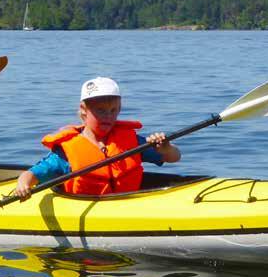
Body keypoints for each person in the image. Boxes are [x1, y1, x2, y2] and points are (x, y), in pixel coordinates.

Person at [15, 77, 181, 198]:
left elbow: (174, 158)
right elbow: (32, 174)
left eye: (113, 110)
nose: (108, 116)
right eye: (101, 111)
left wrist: (166, 149)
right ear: (83, 110)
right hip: (87, 208)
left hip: (127, 205)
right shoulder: (66, 151)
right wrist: (23, 185)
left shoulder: (131, 142)